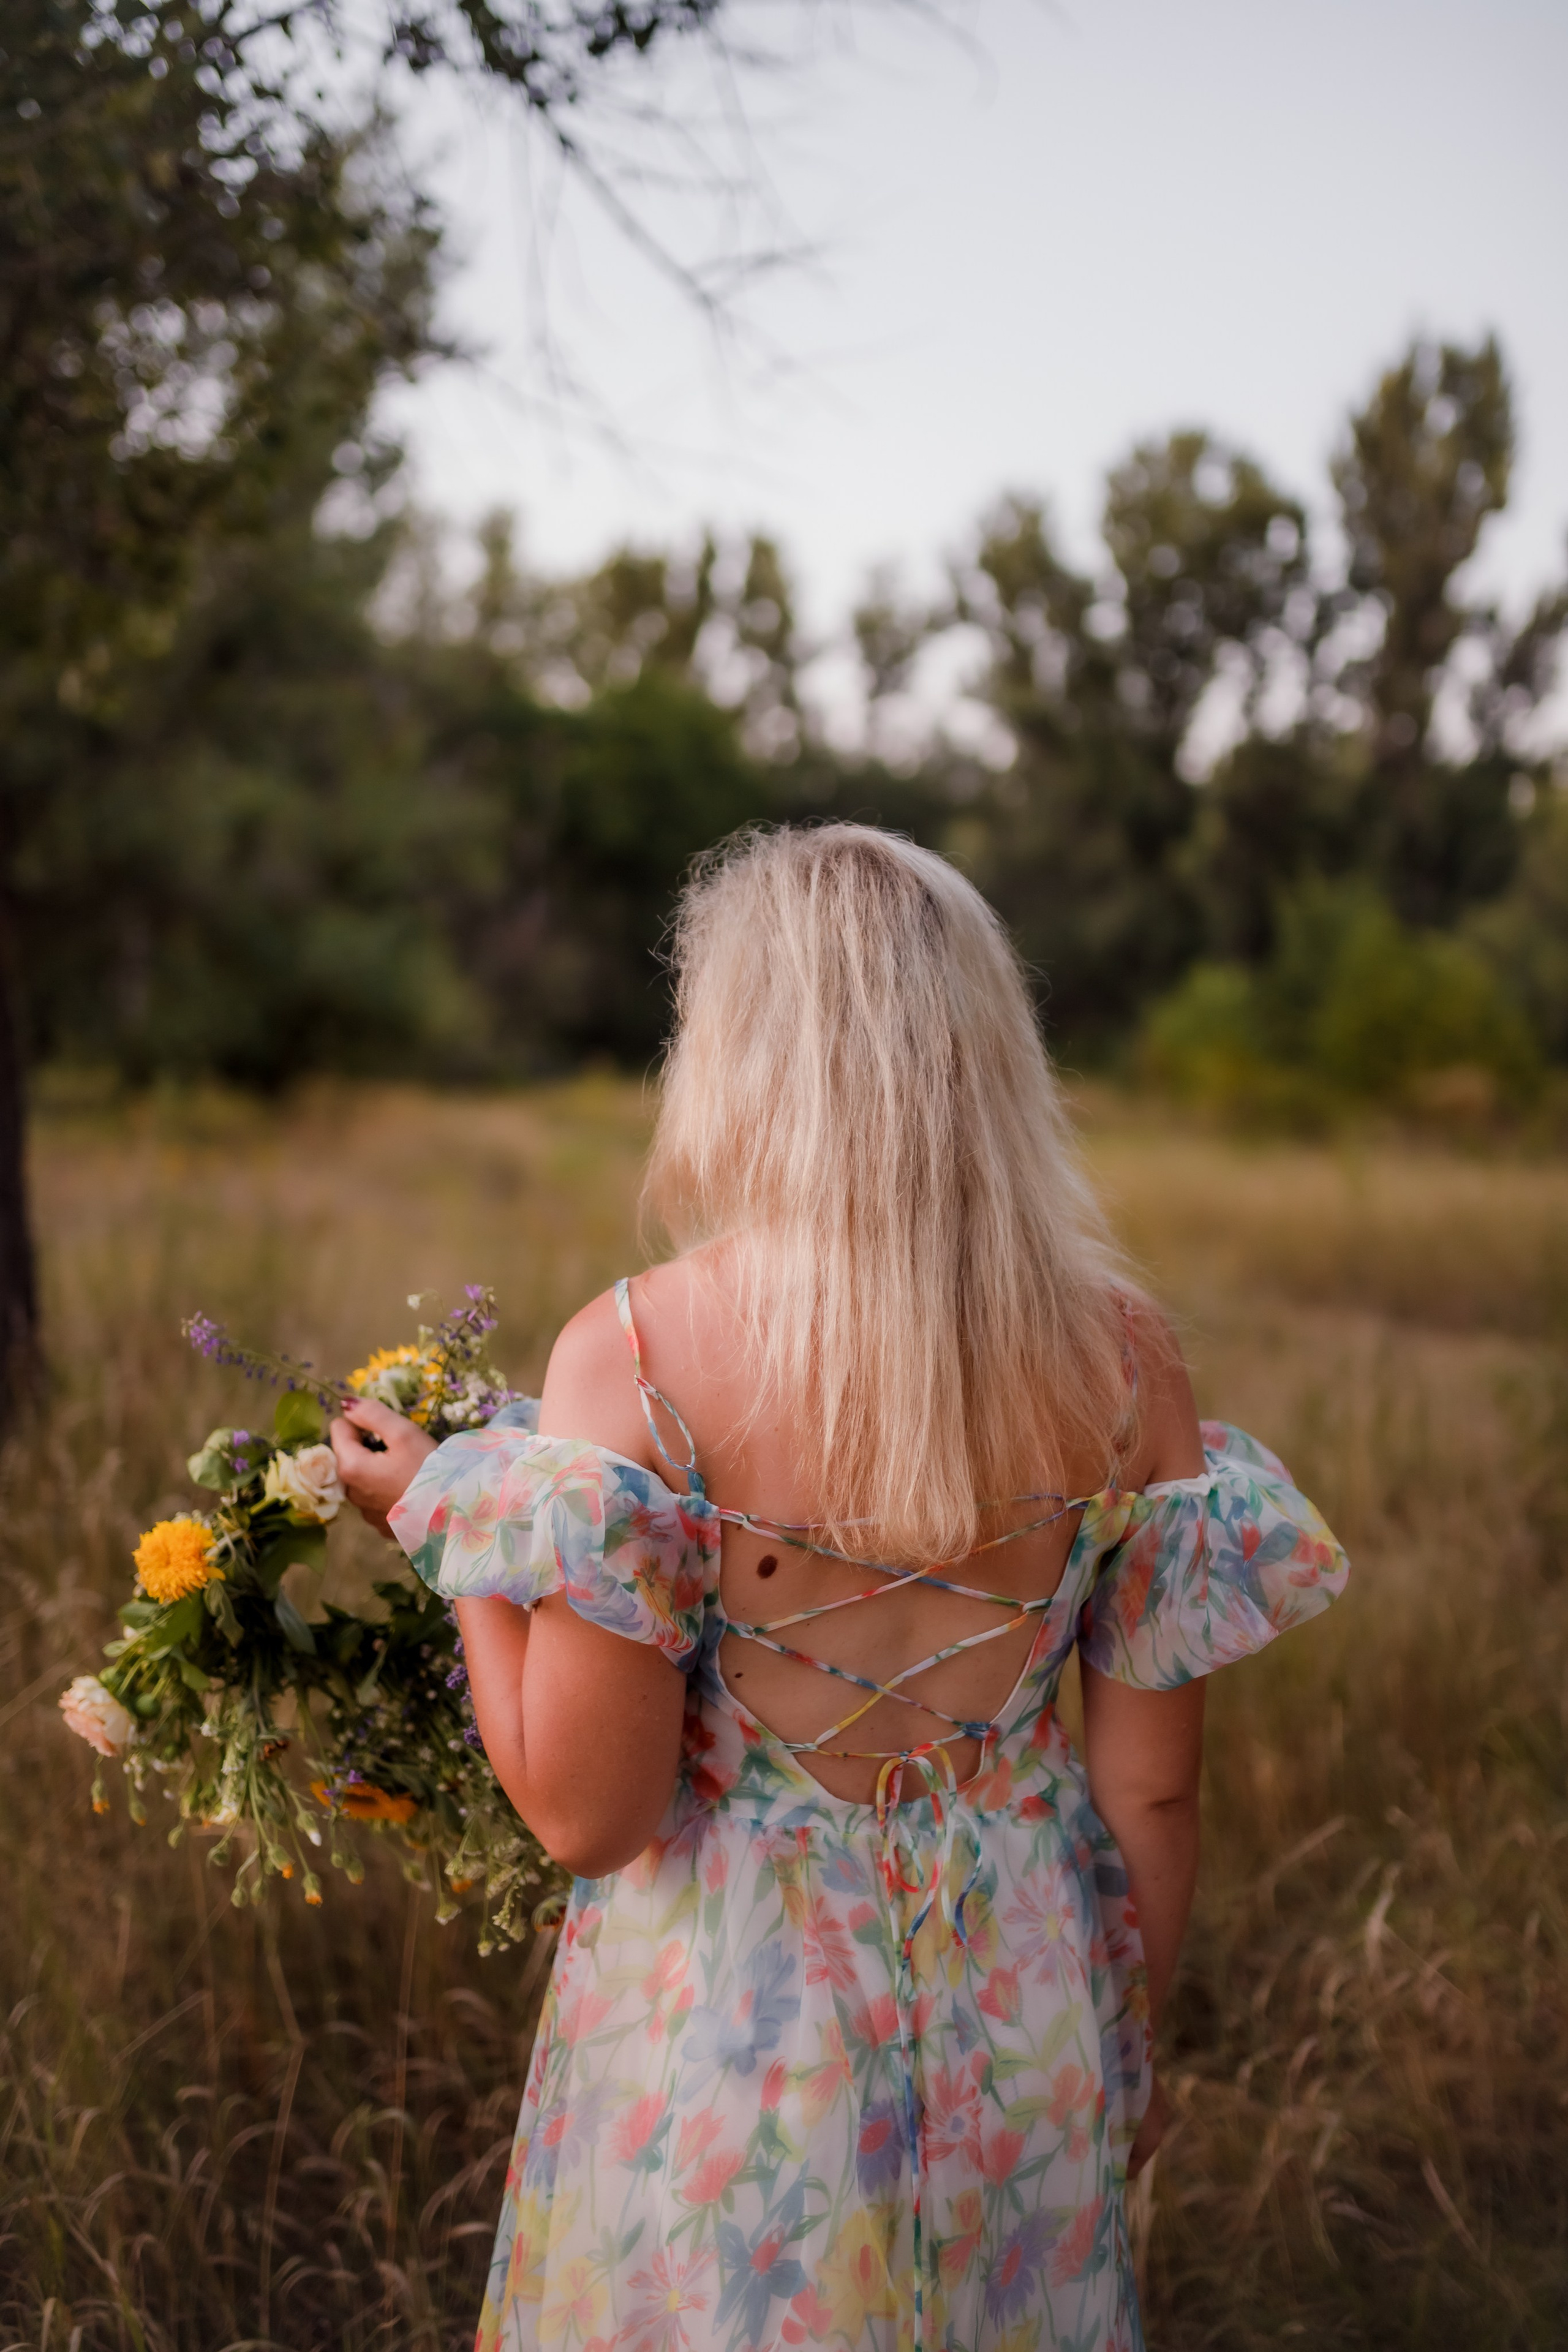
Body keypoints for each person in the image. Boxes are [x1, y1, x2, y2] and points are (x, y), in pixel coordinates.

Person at [331, 824, 1349, 2352]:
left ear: (733, 1055)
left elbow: (585, 1817)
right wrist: (1115, 2054)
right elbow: (1154, 1800)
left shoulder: (636, 1356)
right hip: (1030, 2006)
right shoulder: (1124, 1356)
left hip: (737, 2032)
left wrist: (448, 1524)